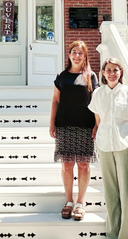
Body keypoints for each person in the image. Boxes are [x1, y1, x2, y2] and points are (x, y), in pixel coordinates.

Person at [88, 58, 128, 239]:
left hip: (125, 145)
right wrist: (98, 130)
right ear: (103, 73)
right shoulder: (98, 93)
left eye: (115, 70)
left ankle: (127, 236)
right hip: (104, 145)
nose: (112, 73)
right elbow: (98, 118)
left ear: (121, 72)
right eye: (108, 70)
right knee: (110, 194)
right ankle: (112, 234)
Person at [49, 40, 99, 221]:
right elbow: (55, 100)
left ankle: (80, 203)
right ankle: (69, 201)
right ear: (69, 55)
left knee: (84, 164)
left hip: (86, 125)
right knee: (67, 164)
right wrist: (52, 123)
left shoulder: (91, 76)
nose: (77, 55)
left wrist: (96, 124)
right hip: (65, 125)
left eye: (81, 52)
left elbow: (97, 103)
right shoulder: (62, 77)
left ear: (85, 56)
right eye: (74, 52)